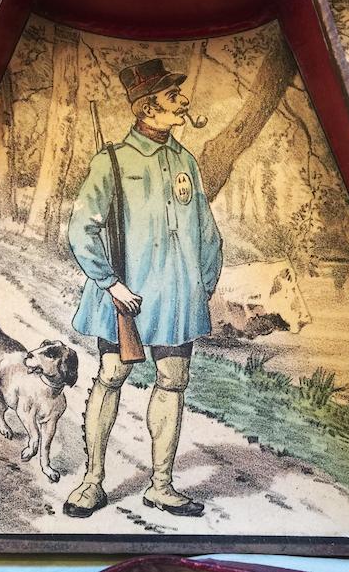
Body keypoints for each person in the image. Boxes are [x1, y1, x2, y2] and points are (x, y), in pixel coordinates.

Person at [64, 58, 223, 518]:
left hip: (176, 301)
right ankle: (92, 481)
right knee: (111, 377)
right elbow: (82, 230)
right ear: (148, 108)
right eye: (173, 96)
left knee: (172, 383)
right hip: (125, 297)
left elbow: (207, 232)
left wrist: (201, 286)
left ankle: (162, 486)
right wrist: (110, 284)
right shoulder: (110, 161)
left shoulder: (186, 161)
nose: (184, 101)